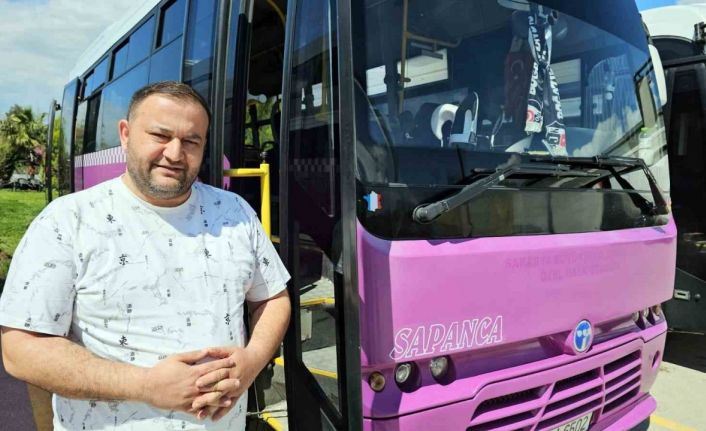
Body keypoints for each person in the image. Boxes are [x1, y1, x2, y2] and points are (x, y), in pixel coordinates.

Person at [0, 81, 291, 430]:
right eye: (160, 135)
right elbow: (20, 349)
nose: (175, 153)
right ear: (125, 135)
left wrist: (252, 362)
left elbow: (273, 298)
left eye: (191, 141)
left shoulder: (236, 212)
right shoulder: (67, 221)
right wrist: (145, 386)